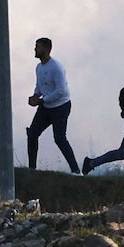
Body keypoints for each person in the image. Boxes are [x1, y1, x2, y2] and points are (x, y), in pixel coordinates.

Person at [26, 37, 80, 173]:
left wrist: (42, 100)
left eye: (37, 47)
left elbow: (61, 91)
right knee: (32, 134)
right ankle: (31, 169)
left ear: (45, 49)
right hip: (46, 107)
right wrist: (35, 96)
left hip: (61, 107)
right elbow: (39, 85)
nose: (35, 49)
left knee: (60, 138)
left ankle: (76, 171)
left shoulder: (56, 67)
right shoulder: (39, 67)